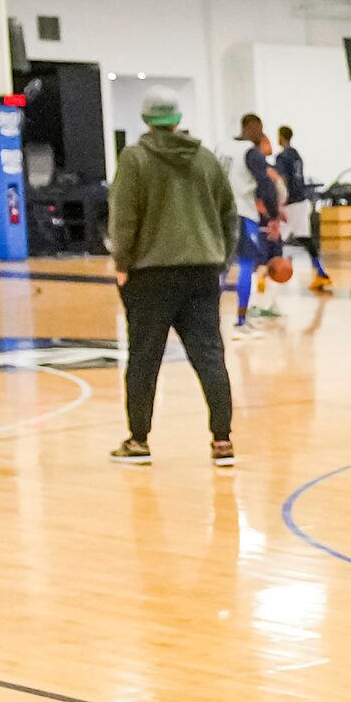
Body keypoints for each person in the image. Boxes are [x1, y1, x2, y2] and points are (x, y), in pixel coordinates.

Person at [106, 89, 237, 468]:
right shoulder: (207, 160)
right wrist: (220, 259)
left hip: (151, 274)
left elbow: (124, 217)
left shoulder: (135, 159)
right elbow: (230, 216)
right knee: (210, 356)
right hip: (202, 273)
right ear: (178, 119)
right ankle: (223, 441)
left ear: (146, 119)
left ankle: (139, 440)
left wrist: (122, 261)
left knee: (144, 359)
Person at [228, 112, 282, 329]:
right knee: (246, 264)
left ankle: (213, 321)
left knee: (221, 269)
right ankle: (241, 320)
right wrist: (274, 216)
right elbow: (267, 187)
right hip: (242, 213)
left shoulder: (222, 147)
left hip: (220, 213)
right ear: (255, 128)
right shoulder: (251, 153)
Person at [274, 125, 331, 293]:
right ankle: (321, 273)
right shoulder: (297, 155)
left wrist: (280, 203)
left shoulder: (281, 157)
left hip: (290, 202)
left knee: (276, 239)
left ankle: (265, 276)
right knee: (305, 239)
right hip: (301, 200)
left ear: (281, 136)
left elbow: (283, 179)